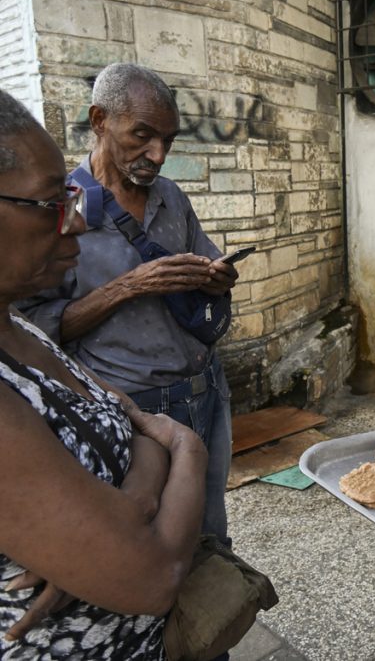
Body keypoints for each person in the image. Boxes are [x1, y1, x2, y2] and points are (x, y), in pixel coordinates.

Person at [0, 89, 207, 657]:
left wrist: (106, 525)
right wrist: (184, 446)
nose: (72, 223)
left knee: (205, 538)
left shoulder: (19, 333)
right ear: (100, 122)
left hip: (190, 383)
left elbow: (129, 422)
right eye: (50, 205)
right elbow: (153, 575)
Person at [17, 63, 237, 542]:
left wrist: (217, 277)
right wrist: (128, 286)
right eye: (142, 135)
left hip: (206, 389)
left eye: (168, 140)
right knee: (149, 537)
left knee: (210, 528)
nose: (157, 155)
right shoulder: (61, 208)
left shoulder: (171, 197)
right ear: (99, 120)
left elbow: (207, 258)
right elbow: (34, 334)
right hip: (135, 410)